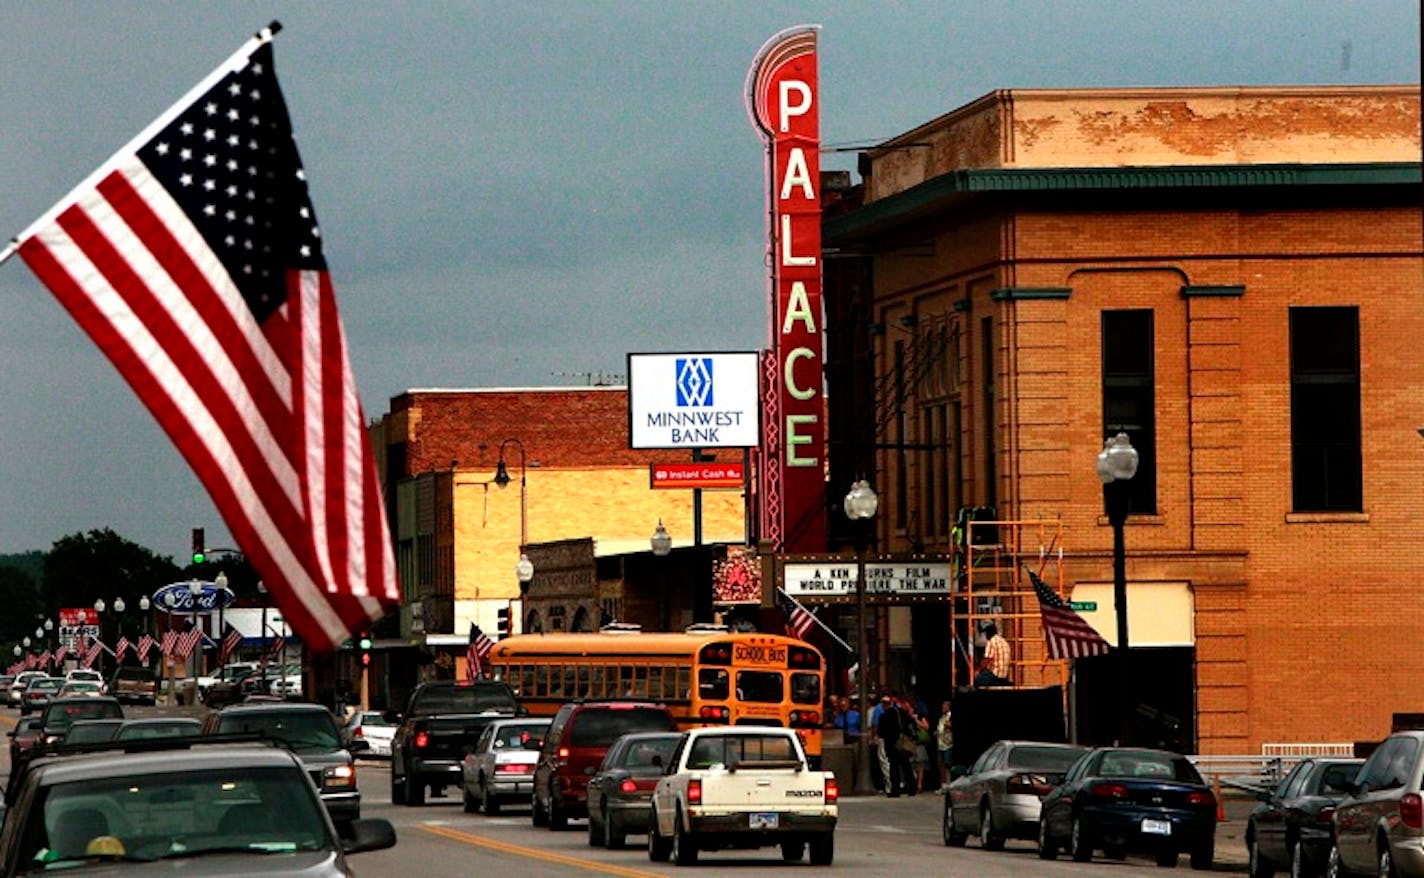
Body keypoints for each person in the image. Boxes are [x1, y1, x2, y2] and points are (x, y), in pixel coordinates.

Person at [876, 693, 914, 797]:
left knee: (894, 768)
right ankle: (911, 788)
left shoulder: (884, 716)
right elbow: (909, 723)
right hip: (903, 743)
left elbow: (880, 732)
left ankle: (895, 789)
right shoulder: (901, 712)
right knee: (906, 766)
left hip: (891, 744)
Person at [975, 622, 1012, 687]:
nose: (985, 636)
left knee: (976, 680)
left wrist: (977, 671)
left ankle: (994, 683)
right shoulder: (1004, 641)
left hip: (995, 674)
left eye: (986, 633)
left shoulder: (991, 642)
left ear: (988, 633)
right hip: (1004, 674)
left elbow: (986, 660)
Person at [935, 700, 954, 787]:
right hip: (940, 744)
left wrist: (949, 725)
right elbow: (940, 728)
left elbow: (950, 726)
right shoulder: (942, 717)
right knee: (940, 765)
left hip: (948, 744)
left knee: (948, 764)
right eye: (942, 707)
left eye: (945, 707)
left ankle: (950, 783)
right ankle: (943, 784)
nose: (943, 708)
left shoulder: (951, 716)